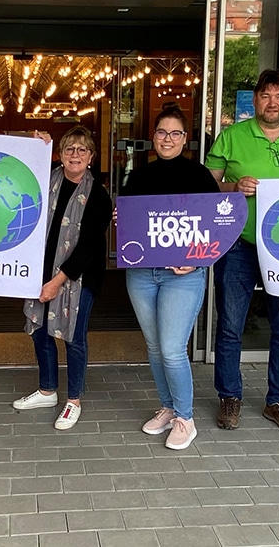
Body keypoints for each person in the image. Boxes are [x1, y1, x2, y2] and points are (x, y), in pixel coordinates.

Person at [206, 69, 279, 435]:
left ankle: (278, 401)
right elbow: (206, 186)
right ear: (254, 100)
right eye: (265, 95)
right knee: (230, 326)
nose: (272, 102)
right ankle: (230, 396)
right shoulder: (232, 136)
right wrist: (233, 186)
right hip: (239, 243)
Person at [121, 107, 219, 449]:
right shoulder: (138, 176)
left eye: (175, 133)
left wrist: (196, 261)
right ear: (154, 137)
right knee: (154, 347)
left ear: (185, 139)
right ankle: (167, 406)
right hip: (142, 274)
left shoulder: (200, 176)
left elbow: (218, 226)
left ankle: (185, 418)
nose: (167, 139)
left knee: (173, 349)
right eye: (162, 132)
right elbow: (130, 225)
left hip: (183, 275)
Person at [15, 127, 112, 430]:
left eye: (82, 150)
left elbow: (87, 249)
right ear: (60, 154)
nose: (75, 155)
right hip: (41, 271)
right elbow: (20, 181)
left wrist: (56, 282)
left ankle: (74, 400)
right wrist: (34, 146)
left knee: (74, 337)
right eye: (69, 149)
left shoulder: (98, 196)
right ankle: (47, 390)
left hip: (79, 278)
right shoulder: (46, 183)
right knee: (41, 331)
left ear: (91, 158)